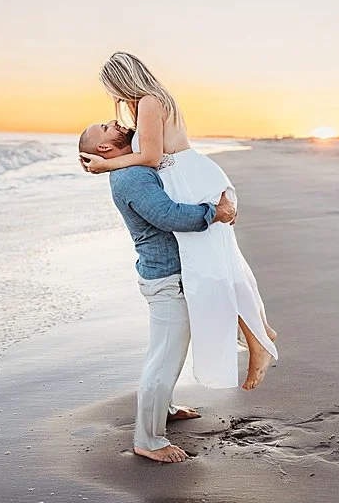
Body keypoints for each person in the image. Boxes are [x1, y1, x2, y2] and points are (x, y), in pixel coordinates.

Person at [79, 52, 277, 390]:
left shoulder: (150, 102)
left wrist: (104, 165)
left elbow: (152, 157)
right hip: (188, 181)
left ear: (123, 79)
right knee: (219, 267)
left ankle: (258, 342)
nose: (112, 98)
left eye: (112, 88)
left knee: (216, 269)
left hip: (192, 183)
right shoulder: (144, 105)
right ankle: (258, 334)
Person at [79, 118, 237, 462]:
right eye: (105, 128)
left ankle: (164, 407)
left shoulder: (131, 166)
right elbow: (168, 216)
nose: (113, 122)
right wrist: (216, 212)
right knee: (163, 359)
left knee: (168, 353)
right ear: (105, 148)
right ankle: (148, 439)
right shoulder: (130, 176)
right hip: (166, 279)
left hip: (167, 274)